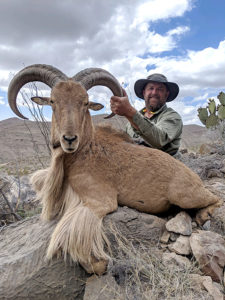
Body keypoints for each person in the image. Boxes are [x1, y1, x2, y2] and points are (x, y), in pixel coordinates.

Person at [110, 73, 183, 156]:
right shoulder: (130, 124)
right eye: (151, 88)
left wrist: (129, 111)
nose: (154, 92)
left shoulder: (173, 117)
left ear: (166, 94)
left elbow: (159, 140)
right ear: (144, 92)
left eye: (160, 89)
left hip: (167, 167)